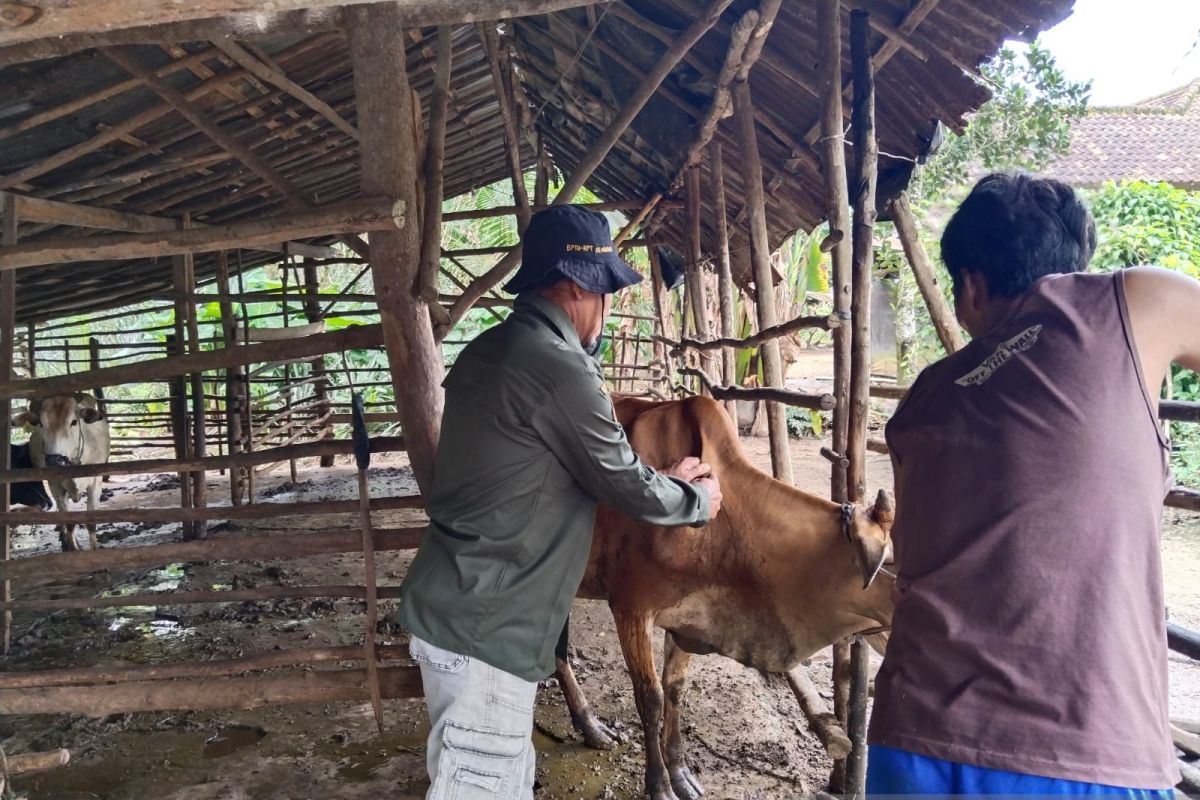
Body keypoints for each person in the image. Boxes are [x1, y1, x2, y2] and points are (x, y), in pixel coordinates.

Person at [868, 173, 1200, 796]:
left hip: (918, 734)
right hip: (1089, 743)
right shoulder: (1136, 302)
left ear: (971, 284)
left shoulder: (923, 400)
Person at [396, 204, 723, 800]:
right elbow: (621, 482)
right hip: (487, 631)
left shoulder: (492, 350)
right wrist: (694, 497)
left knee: (495, 777)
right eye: (606, 292)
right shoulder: (558, 367)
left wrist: (661, 475)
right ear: (577, 286)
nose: (608, 309)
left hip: (464, 611)